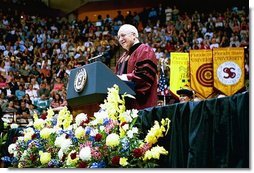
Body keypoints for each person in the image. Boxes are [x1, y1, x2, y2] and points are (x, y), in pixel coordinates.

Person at [116, 24, 158, 110]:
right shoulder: (122, 58)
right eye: (119, 37)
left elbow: (143, 77)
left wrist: (122, 77)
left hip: (142, 105)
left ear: (134, 35)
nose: (120, 39)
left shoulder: (144, 50)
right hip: (124, 108)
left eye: (123, 35)